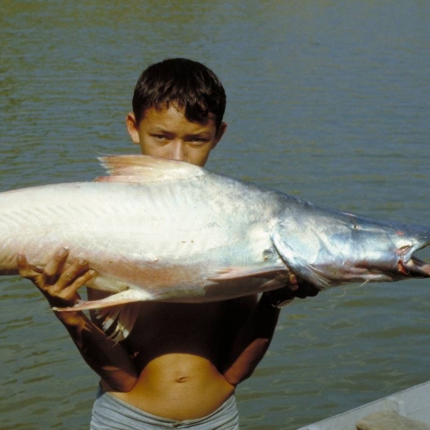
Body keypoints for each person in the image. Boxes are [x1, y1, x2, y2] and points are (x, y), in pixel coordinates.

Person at [17, 58, 318, 429]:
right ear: (133, 127)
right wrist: (63, 305)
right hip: (127, 419)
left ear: (218, 134)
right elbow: (120, 376)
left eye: (196, 140)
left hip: (218, 419)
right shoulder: (100, 215)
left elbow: (235, 370)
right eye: (161, 137)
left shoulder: (234, 219)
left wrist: (275, 298)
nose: (177, 157)